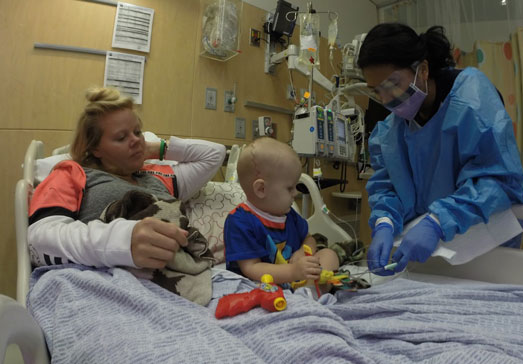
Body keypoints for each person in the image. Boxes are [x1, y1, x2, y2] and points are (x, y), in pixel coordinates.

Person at [357, 23, 523, 275]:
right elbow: (388, 186)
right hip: (432, 246)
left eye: (392, 84)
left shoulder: (471, 101)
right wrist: (384, 222)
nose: (386, 99)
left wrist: (437, 222)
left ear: (422, 69)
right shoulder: (391, 132)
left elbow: (497, 181)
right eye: (376, 91)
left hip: (483, 233)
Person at [28, 87, 226, 270]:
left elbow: (215, 154)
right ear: (95, 148)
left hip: (178, 277)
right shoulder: (72, 173)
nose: (135, 141)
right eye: (121, 138)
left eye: (137, 132)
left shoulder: (157, 176)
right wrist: (122, 242)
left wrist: (154, 148)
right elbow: (39, 240)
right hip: (107, 278)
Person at [223, 137, 339, 293]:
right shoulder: (240, 222)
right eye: (290, 188)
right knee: (251, 287)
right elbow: (251, 268)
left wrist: (303, 252)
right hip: (266, 284)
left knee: (328, 254)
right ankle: (309, 293)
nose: (295, 193)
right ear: (261, 189)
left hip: (299, 276)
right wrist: (292, 271)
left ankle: (310, 291)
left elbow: (308, 238)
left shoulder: (288, 214)